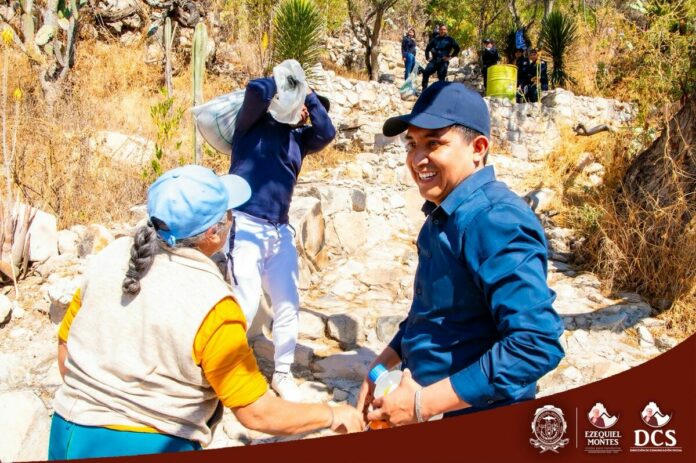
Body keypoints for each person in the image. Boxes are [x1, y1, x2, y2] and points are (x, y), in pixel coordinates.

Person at [48, 165, 363, 459]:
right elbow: (256, 412)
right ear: (216, 233)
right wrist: (333, 413)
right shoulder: (213, 304)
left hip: (66, 431)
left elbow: (66, 351)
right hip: (149, 444)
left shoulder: (111, 256)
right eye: (229, 214)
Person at [356, 82, 565, 426]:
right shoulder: (443, 216)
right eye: (412, 144)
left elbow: (535, 342)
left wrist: (422, 405)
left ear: (478, 148)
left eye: (434, 143)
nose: (417, 158)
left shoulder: (494, 218)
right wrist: (379, 367)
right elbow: (433, 314)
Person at [226, 75, 336, 402]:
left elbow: (327, 131)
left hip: (279, 231)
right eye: (301, 105)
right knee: (244, 303)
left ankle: (283, 374)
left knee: (288, 303)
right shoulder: (250, 124)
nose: (305, 113)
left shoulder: (300, 140)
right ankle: (222, 370)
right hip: (245, 224)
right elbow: (255, 91)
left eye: (308, 110)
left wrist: (310, 95)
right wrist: (284, 82)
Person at [422, 24, 460, 91]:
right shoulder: (435, 39)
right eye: (441, 29)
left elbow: (457, 49)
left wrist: (450, 57)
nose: (442, 31)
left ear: (446, 30)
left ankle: (440, 94)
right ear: (439, 30)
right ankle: (424, 90)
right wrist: (427, 58)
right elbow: (427, 49)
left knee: (441, 78)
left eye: (444, 29)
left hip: (443, 61)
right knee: (425, 72)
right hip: (434, 60)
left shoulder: (450, 39)